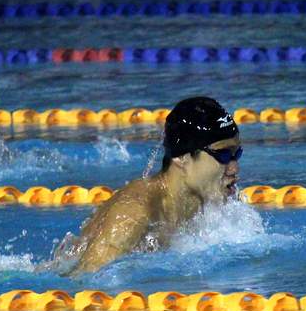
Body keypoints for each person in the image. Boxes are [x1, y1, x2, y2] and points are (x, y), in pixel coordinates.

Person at [51, 96, 242, 275]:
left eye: (236, 154)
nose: (234, 168)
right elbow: (84, 283)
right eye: (223, 155)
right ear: (182, 157)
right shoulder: (134, 213)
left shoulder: (205, 201)